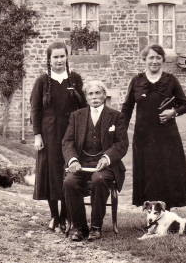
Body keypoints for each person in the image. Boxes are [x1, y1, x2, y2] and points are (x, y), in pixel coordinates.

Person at [121, 44, 186, 209]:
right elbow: (127, 108)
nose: (154, 61)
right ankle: (151, 214)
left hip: (167, 136)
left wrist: (172, 112)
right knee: (148, 174)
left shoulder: (171, 80)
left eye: (158, 58)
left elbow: (185, 105)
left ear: (163, 60)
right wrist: (120, 132)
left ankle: (167, 211)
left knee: (168, 172)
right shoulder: (136, 81)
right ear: (144, 59)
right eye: (151, 58)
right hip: (144, 136)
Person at [30, 41, 86, 232]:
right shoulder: (42, 81)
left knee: (67, 173)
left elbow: (83, 107)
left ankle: (65, 216)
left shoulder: (75, 79)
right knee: (51, 175)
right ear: (49, 59)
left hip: (71, 133)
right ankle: (55, 216)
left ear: (67, 58)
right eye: (55, 57)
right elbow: (35, 110)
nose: (59, 60)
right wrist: (37, 135)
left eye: (62, 56)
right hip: (49, 134)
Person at [62, 80, 128, 242]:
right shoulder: (76, 116)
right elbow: (67, 141)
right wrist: (72, 160)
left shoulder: (116, 116)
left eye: (98, 93)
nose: (94, 97)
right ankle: (80, 227)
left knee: (99, 180)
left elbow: (121, 144)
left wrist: (107, 157)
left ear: (105, 96)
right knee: (69, 182)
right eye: (90, 94)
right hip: (81, 165)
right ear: (86, 98)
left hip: (105, 166)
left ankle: (96, 227)